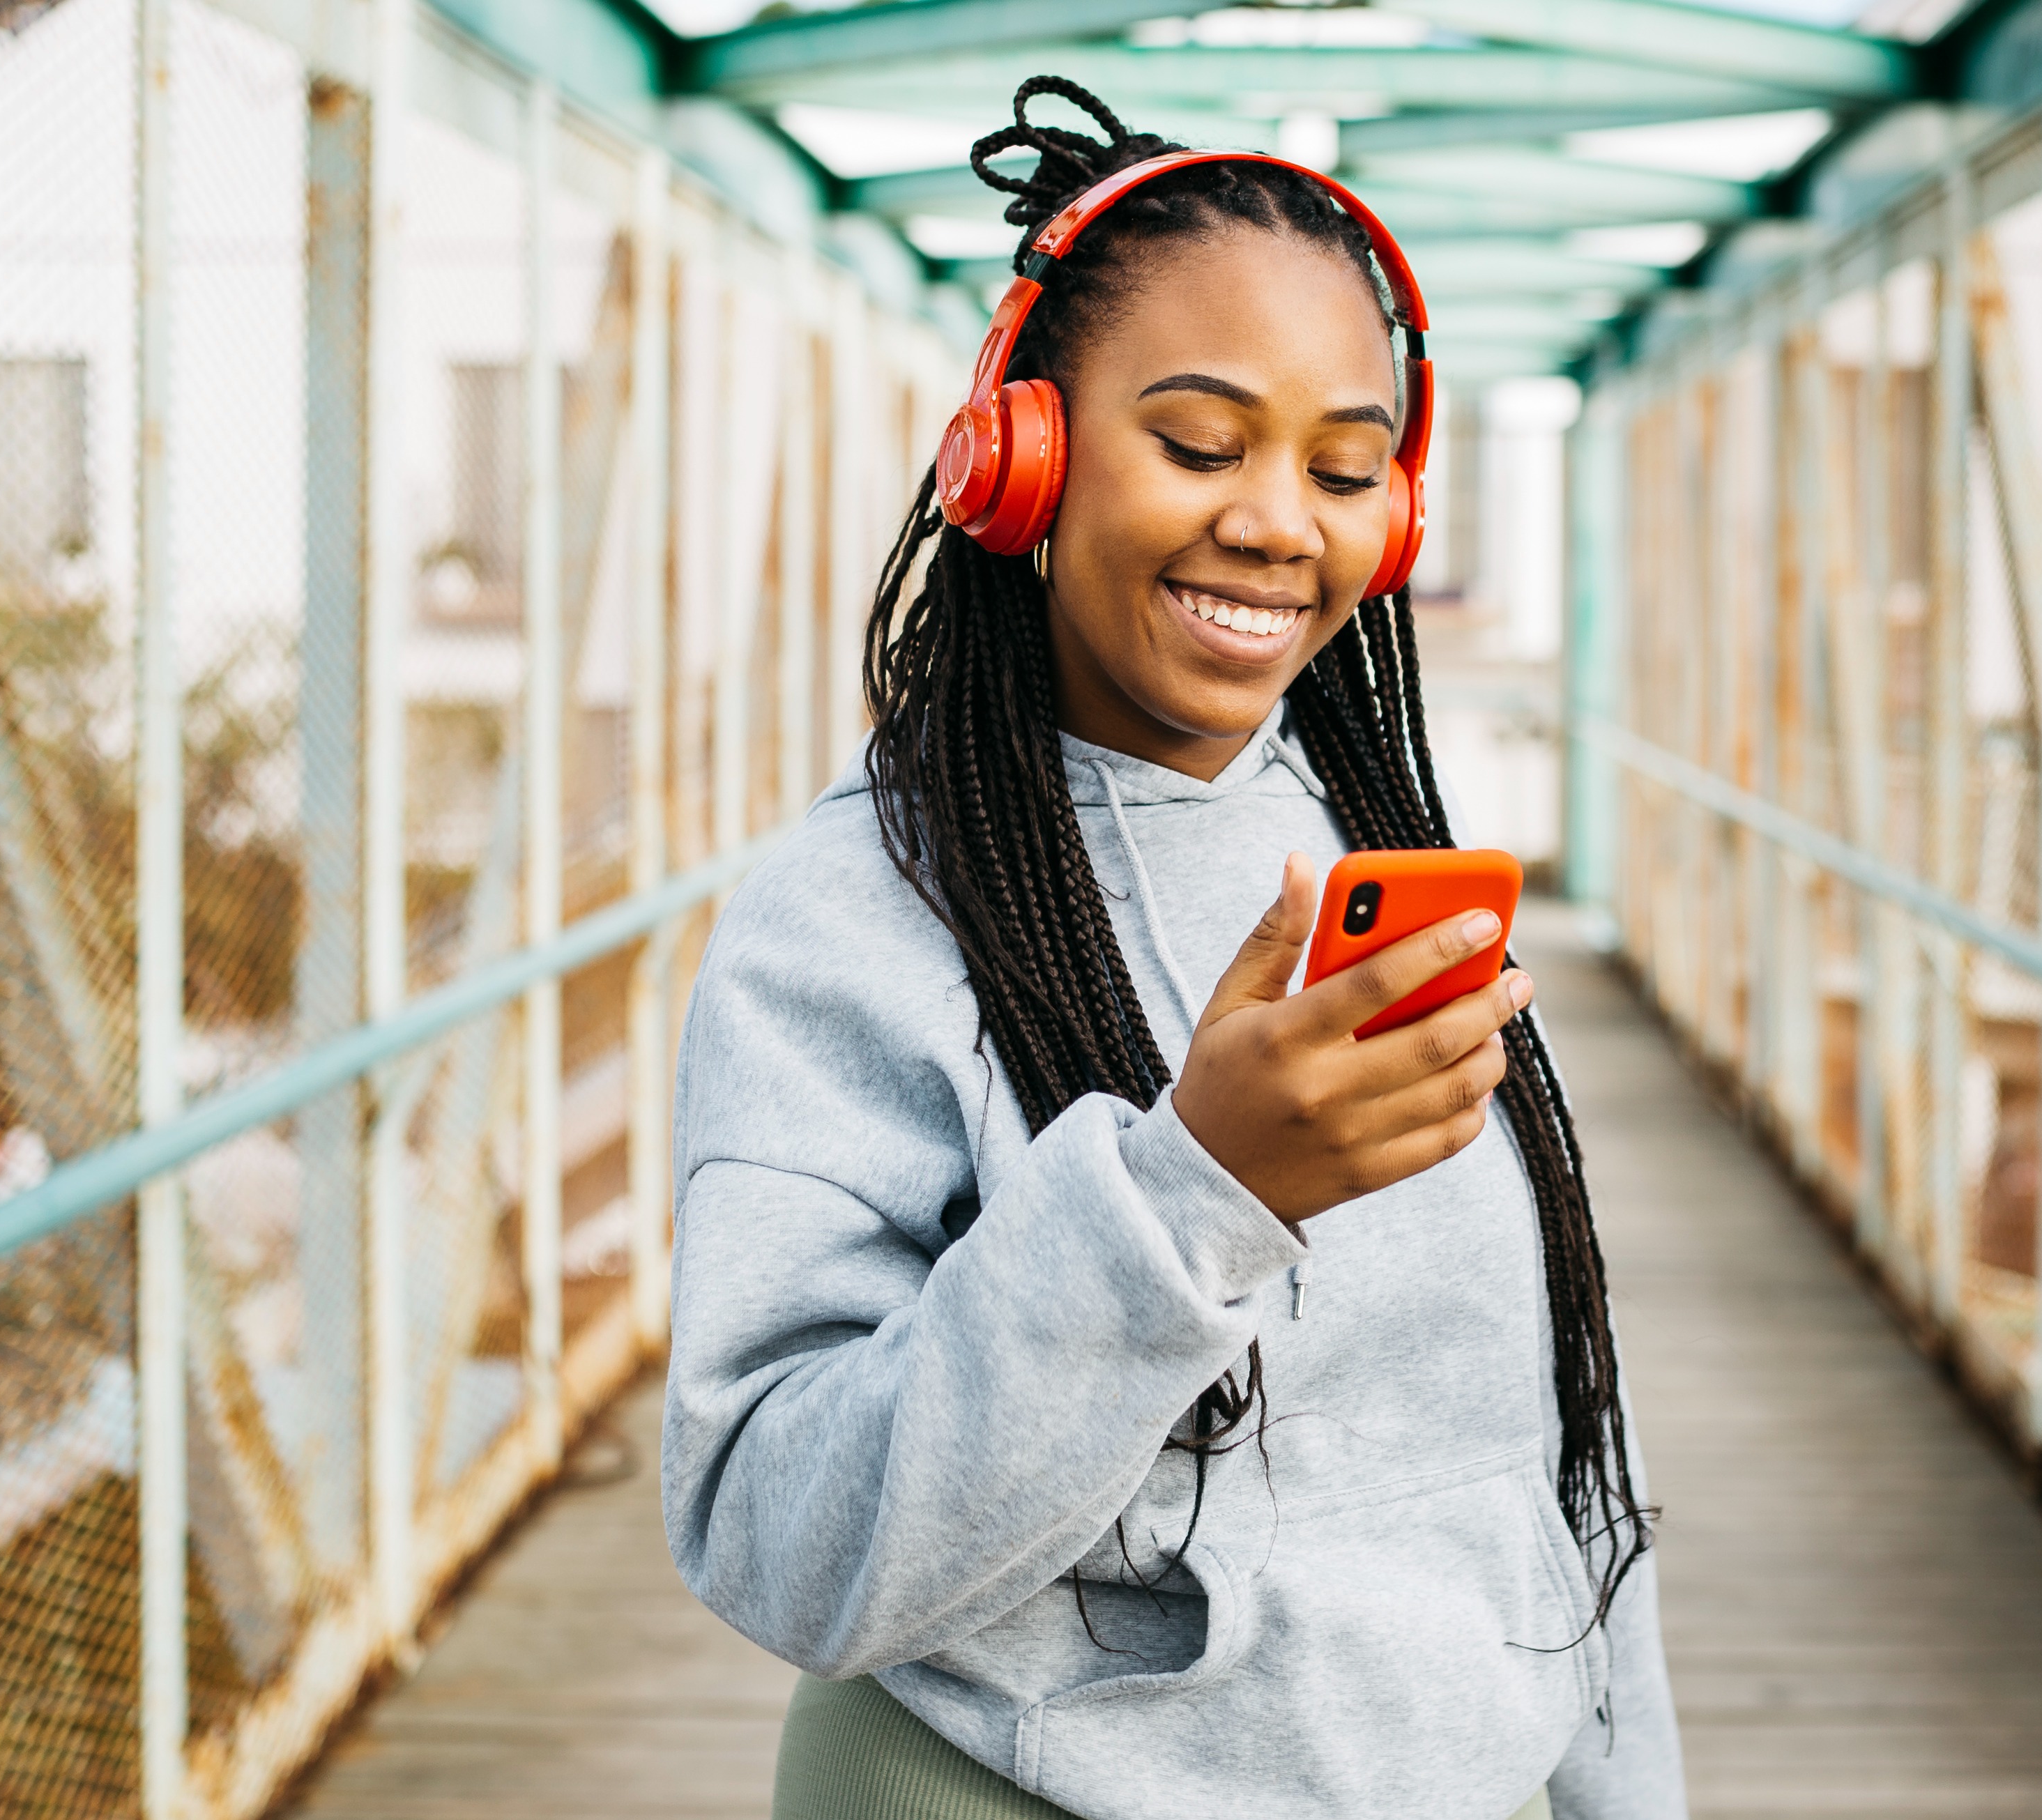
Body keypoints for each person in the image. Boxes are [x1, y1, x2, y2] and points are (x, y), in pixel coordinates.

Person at [661, 77, 1684, 1820]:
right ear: (1021, 456)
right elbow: (775, 1532)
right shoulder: (853, 919)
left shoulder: (1374, 861)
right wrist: (1192, 1193)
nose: (1280, 519)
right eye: (1201, 446)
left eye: (1345, 468)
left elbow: (1546, 1440)